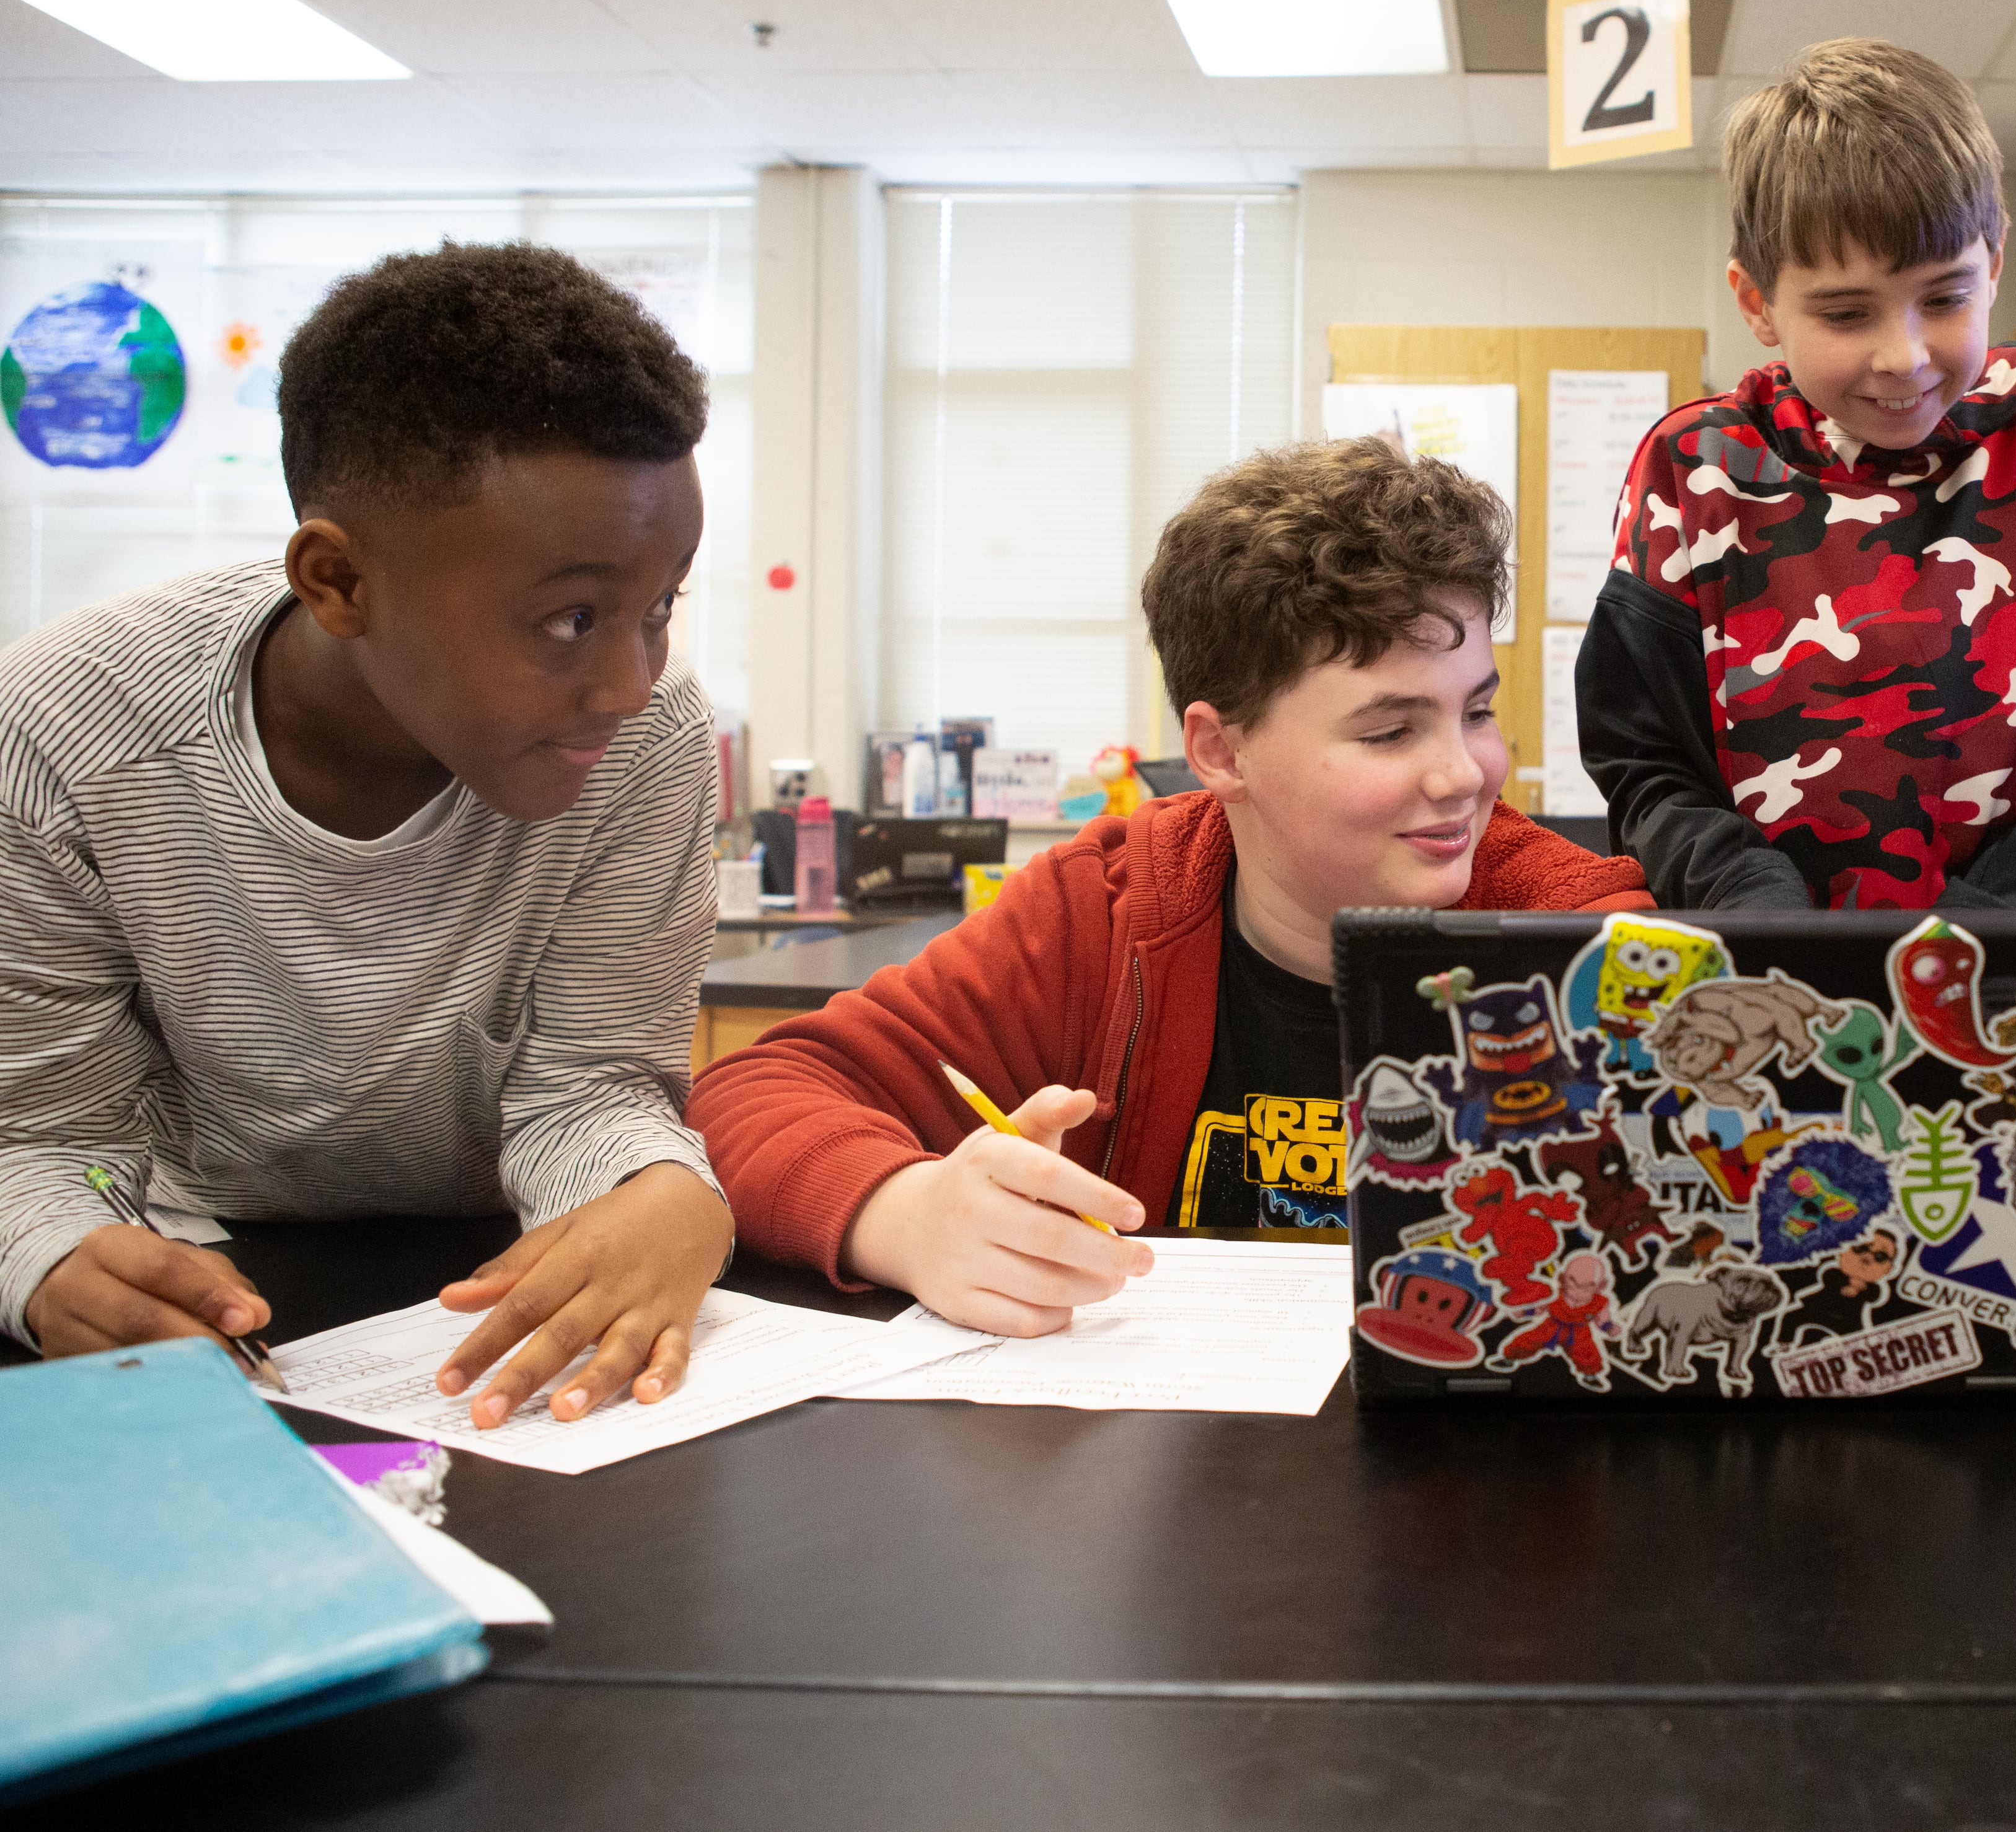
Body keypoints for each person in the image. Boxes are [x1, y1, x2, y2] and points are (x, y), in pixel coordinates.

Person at [2, 241, 734, 1429]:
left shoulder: (643, 749)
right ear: (338, 581)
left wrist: (659, 1186)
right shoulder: (62, 737)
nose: (630, 682)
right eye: (572, 619)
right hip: (203, 1263)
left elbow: (590, 1088)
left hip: (494, 1272)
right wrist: (54, 1250)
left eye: (662, 607)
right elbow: (47, 1137)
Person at [692, 440, 1649, 1334]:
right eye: (1390, 731)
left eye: (1476, 710)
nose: (1465, 774)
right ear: (1220, 750)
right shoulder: (1104, 914)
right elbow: (750, 1094)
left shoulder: (1576, 933)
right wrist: (905, 1214)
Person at [1577, 37, 2016, 910]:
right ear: (1757, 304)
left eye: (1946, 298)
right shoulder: (1689, 471)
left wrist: (1969, 941)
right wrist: (1755, 904)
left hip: (1999, 987)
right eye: (1848, 313)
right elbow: (1645, 766)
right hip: (1761, 980)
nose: (1905, 355)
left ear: (1995, 264)